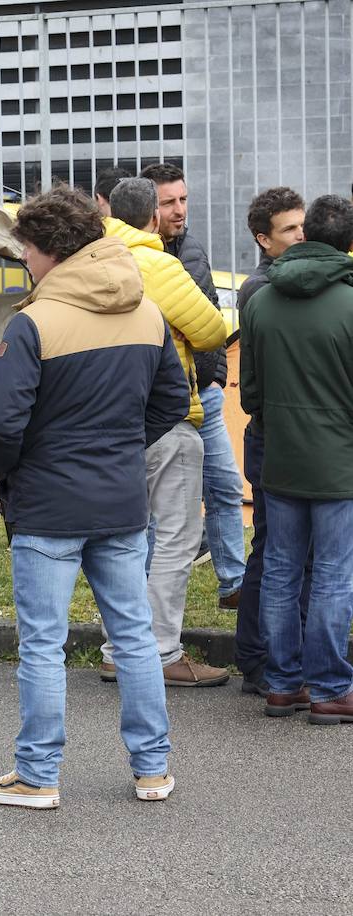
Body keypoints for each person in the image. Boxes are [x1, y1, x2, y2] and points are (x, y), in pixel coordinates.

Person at [0, 186, 188, 809]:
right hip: (121, 498)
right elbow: (172, 402)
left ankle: (39, 774)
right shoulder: (146, 311)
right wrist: (125, 446)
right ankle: (153, 769)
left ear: (50, 251)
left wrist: (13, 476)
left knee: (43, 643)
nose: (25, 263)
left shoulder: (34, 322)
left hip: (47, 503)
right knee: (133, 636)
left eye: (27, 252)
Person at [100, 178, 230, 687]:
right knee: (175, 540)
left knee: (123, 544)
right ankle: (161, 652)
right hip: (164, 417)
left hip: (105, 424)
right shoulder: (157, 264)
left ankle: (116, 649)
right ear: (153, 218)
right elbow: (212, 330)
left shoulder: (90, 259)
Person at [240, 194, 353, 723]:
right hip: (338, 462)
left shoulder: (261, 299)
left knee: (281, 570)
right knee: (332, 573)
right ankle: (330, 686)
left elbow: (251, 397)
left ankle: (282, 684)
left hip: (280, 455)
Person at [141, 162, 246, 609]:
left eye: (183, 199)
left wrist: (218, 376)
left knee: (224, 485)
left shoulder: (192, 249)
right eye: (169, 202)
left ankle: (234, 584)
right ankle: (146, 595)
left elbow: (212, 316)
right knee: (154, 508)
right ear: (151, 207)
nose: (179, 209)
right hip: (161, 400)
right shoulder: (139, 258)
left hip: (201, 390)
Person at [234, 187, 307, 695]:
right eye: (290, 229)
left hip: (281, 435)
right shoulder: (262, 290)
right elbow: (257, 389)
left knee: (283, 551)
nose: (302, 235)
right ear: (264, 239)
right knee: (273, 551)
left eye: (303, 225)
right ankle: (258, 659)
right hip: (272, 437)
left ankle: (268, 658)